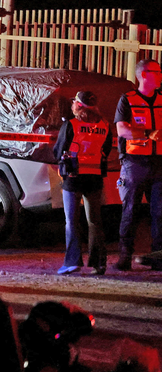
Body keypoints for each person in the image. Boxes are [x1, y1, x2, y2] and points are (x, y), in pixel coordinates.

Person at [54, 91, 112, 275]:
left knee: (71, 221)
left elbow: (58, 150)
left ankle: (72, 262)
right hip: (94, 177)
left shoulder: (71, 124)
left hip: (73, 177)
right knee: (94, 221)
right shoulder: (104, 125)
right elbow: (107, 149)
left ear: (78, 105)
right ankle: (98, 264)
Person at [115, 59, 162, 271]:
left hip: (159, 162)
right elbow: (122, 130)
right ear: (143, 75)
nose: (160, 75)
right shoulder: (128, 100)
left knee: (159, 211)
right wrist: (147, 133)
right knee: (131, 209)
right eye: (156, 72)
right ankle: (125, 255)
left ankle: (157, 256)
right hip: (135, 162)